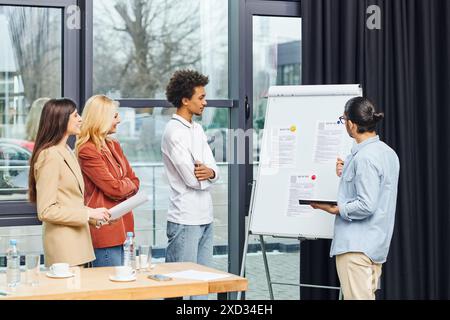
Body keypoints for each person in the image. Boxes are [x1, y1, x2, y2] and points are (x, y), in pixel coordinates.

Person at [311, 97, 400, 300]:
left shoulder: (365, 158)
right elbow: (377, 192)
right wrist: (346, 172)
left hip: (356, 249)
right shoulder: (387, 153)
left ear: (351, 124)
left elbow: (367, 204)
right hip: (375, 245)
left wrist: (337, 209)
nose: (344, 124)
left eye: (343, 119)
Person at [28, 98, 111, 267]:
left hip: (79, 245)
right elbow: (46, 211)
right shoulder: (49, 156)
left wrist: (96, 215)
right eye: (75, 115)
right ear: (61, 119)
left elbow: (70, 200)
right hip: (64, 249)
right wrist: (88, 214)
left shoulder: (66, 151)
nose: (81, 119)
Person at [161, 70, 219, 281]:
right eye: (201, 97)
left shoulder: (197, 129)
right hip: (185, 219)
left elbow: (213, 169)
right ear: (185, 100)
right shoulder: (174, 132)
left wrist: (210, 172)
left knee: (202, 284)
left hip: (206, 217)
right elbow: (192, 179)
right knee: (181, 285)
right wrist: (208, 176)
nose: (205, 102)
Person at [76, 95, 140, 267]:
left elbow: (135, 180)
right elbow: (114, 189)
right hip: (105, 229)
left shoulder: (113, 145)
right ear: (101, 118)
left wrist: (125, 183)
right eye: (114, 116)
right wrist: (126, 184)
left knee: (123, 284)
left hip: (124, 226)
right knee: (109, 289)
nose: (119, 120)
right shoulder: (87, 150)